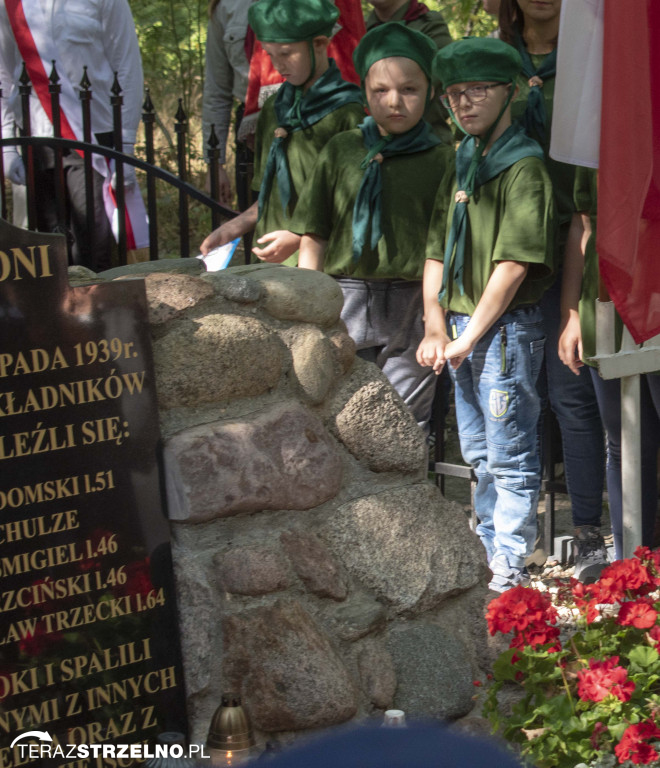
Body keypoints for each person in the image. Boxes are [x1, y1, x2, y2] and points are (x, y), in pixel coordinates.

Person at [417, 36, 555, 592]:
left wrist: (468, 334)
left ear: (510, 90)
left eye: (477, 90)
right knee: (476, 449)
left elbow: (514, 264)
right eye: (453, 94)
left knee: (510, 449)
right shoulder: (462, 161)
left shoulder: (525, 168)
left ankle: (511, 564)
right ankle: (488, 547)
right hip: (458, 329)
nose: (465, 103)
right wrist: (433, 323)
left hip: (502, 333)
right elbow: (434, 249)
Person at [291, 22, 455, 432]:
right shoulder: (341, 150)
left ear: (431, 91)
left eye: (409, 89)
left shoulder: (442, 160)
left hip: (412, 301)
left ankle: (405, 494)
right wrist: (308, 315)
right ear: (364, 90)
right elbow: (315, 233)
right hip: (344, 298)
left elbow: (443, 248)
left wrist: (435, 320)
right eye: (380, 90)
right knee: (338, 413)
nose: (394, 101)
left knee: (403, 420)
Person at [499, 0, 608, 581]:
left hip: (579, 242)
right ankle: (515, 533)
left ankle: (592, 530)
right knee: (527, 396)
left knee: (578, 397)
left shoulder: (592, 59)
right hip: (515, 252)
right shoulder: (497, 65)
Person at [199, 0, 365, 265]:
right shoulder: (274, 109)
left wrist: (299, 237)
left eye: (286, 54)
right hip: (271, 261)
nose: (278, 65)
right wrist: (233, 227)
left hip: (325, 264)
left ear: (320, 44)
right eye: (269, 54)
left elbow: (351, 204)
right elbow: (268, 196)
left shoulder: (348, 113)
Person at [558, 167, 660, 563]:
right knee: (624, 441)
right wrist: (570, 313)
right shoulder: (598, 141)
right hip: (606, 307)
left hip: (652, 298)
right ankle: (630, 567)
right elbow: (582, 225)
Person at [0, 0, 146, 272]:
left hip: (93, 135)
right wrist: (6, 143)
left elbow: (127, 67)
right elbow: (3, 74)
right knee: (46, 251)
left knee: (92, 249)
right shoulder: (10, 4)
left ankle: (95, 311)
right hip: (35, 138)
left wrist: (125, 146)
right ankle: (57, 313)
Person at [364, 0, 453, 144]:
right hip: (372, 140)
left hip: (425, 142)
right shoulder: (361, 29)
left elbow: (438, 77)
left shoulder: (429, 24)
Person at [201, 0, 259, 209]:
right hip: (252, 130)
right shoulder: (225, 6)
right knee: (255, 229)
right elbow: (217, 91)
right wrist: (214, 163)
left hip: (304, 126)